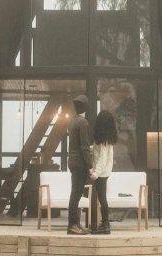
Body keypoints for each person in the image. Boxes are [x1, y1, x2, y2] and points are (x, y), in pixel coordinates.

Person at [66, 94, 93, 235]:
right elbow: (84, 147)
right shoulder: (83, 123)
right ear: (86, 107)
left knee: (75, 194)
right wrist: (90, 166)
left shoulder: (72, 121)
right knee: (75, 194)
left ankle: (76, 223)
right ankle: (72, 225)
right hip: (80, 164)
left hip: (73, 162)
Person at [90, 110, 117, 235]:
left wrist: (96, 173)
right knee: (102, 198)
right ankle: (105, 223)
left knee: (102, 199)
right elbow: (98, 153)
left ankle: (105, 224)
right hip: (103, 172)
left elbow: (102, 158)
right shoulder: (105, 139)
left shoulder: (104, 141)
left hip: (101, 173)